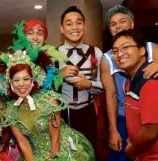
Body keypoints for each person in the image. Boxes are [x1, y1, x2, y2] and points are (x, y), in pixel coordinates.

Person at [0, 42, 95, 160]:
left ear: (33, 80)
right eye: (16, 80)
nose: (21, 84)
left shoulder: (49, 100)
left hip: (62, 150)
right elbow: (23, 143)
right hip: (34, 155)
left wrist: (53, 158)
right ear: (10, 83)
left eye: (26, 79)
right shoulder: (9, 110)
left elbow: (55, 139)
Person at [101, 5, 158, 161]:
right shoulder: (108, 58)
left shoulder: (152, 48)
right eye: (113, 24)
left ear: (132, 24)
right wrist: (113, 129)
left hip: (149, 117)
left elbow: (151, 131)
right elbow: (111, 94)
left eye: (122, 21)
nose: (118, 26)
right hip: (123, 116)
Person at [57, 6, 103, 149]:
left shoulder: (96, 53)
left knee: (88, 151)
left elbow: (105, 86)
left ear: (84, 26)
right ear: (62, 29)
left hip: (87, 113)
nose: (74, 27)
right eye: (69, 23)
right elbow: (43, 87)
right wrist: (59, 75)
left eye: (79, 22)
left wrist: (89, 84)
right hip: (62, 113)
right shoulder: (52, 54)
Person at [112, 29, 158, 161]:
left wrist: (132, 150)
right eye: (115, 51)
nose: (119, 54)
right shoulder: (132, 81)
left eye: (125, 47)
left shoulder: (149, 81)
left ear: (142, 51)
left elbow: (151, 131)